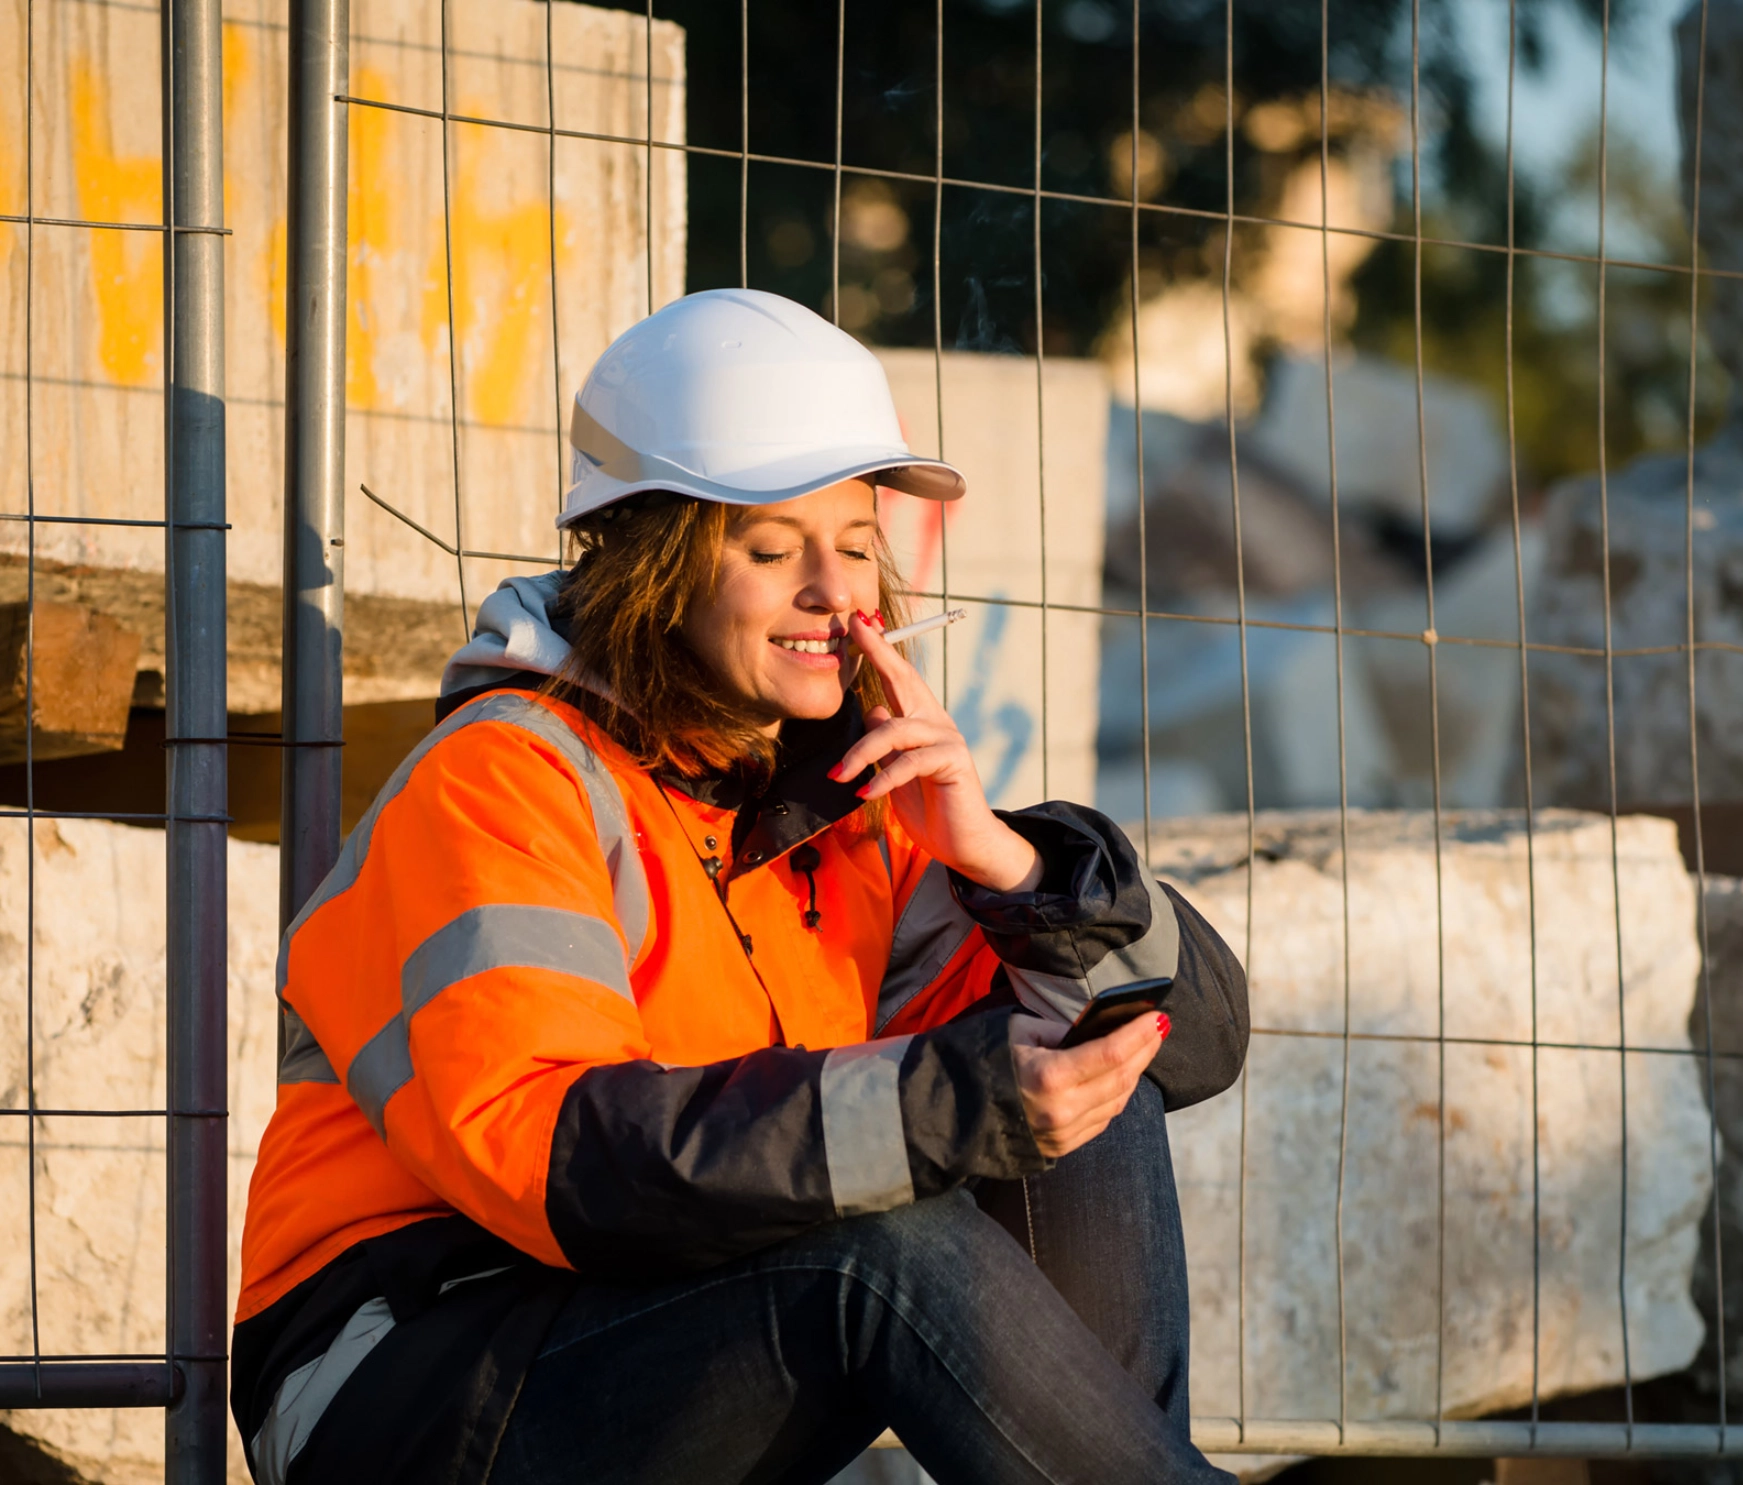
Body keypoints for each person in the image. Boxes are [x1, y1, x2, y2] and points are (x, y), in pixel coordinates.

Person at [232, 288, 1249, 1485]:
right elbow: (557, 1163)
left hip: (650, 1306)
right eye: (773, 549)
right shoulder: (502, 778)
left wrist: (1009, 867)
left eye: (859, 543)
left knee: (1087, 1073)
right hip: (408, 1370)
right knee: (884, 1251)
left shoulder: (839, 804)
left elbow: (1191, 1045)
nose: (835, 590)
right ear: (655, 565)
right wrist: (949, 1102)